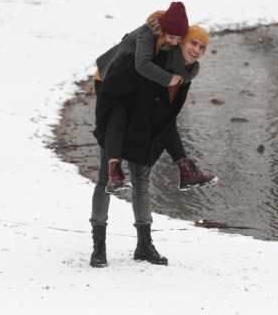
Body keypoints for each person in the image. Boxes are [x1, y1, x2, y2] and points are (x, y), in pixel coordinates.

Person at [89, 26, 216, 267]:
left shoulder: (186, 74)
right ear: (180, 43)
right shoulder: (154, 63)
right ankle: (99, 247)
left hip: (142, 124)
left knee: (141, 179)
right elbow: (118, 91)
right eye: (193, 44)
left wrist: (182, 160)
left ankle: (144, 246)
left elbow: (167, 118)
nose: (197, 50)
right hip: (117, 115)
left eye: (202, 47)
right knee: (106, 177)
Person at [93, 1, 194, 194]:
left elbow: (180, 68)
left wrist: (183, 78)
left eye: (178, 39)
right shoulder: (146, 34)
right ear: (163, 29)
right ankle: (114, 174)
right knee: (118, 117)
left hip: (132, 81)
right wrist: (169, 79)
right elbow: (143, 65)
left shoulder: (170, 39)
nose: (174, 42)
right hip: (109, 77)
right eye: (171, 37)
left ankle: (186, 169)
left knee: (160, 116)